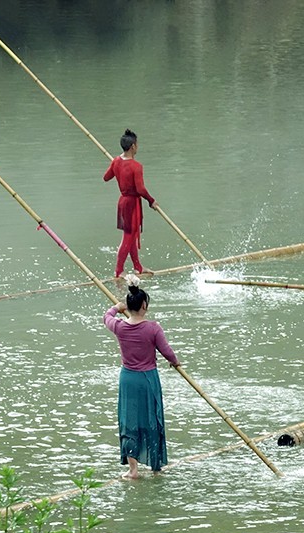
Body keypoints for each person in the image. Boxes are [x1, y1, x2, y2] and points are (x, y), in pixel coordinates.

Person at [103, 277, 179, 478]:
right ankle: (155, 465)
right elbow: (166, 351)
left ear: (128, 305)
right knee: (152, 419)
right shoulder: (153, 328)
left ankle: (133, 469)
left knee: (129, 421)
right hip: (147, 379)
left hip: (128, 379)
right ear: (144, 305)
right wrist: (175, 362)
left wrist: (116, 307)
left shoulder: (119, 326)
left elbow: (106, 317)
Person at [103, 129, 159, 278]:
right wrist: (151, 201)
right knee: (128, 236)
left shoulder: (116, 161)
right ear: (133, 146)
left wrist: (115, 166)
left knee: (132, 234)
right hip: (132, 204)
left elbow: (106, 177)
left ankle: (137, 267)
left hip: (123, 201)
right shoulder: (136, 166)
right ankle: (119, 270)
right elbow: (140, 189)